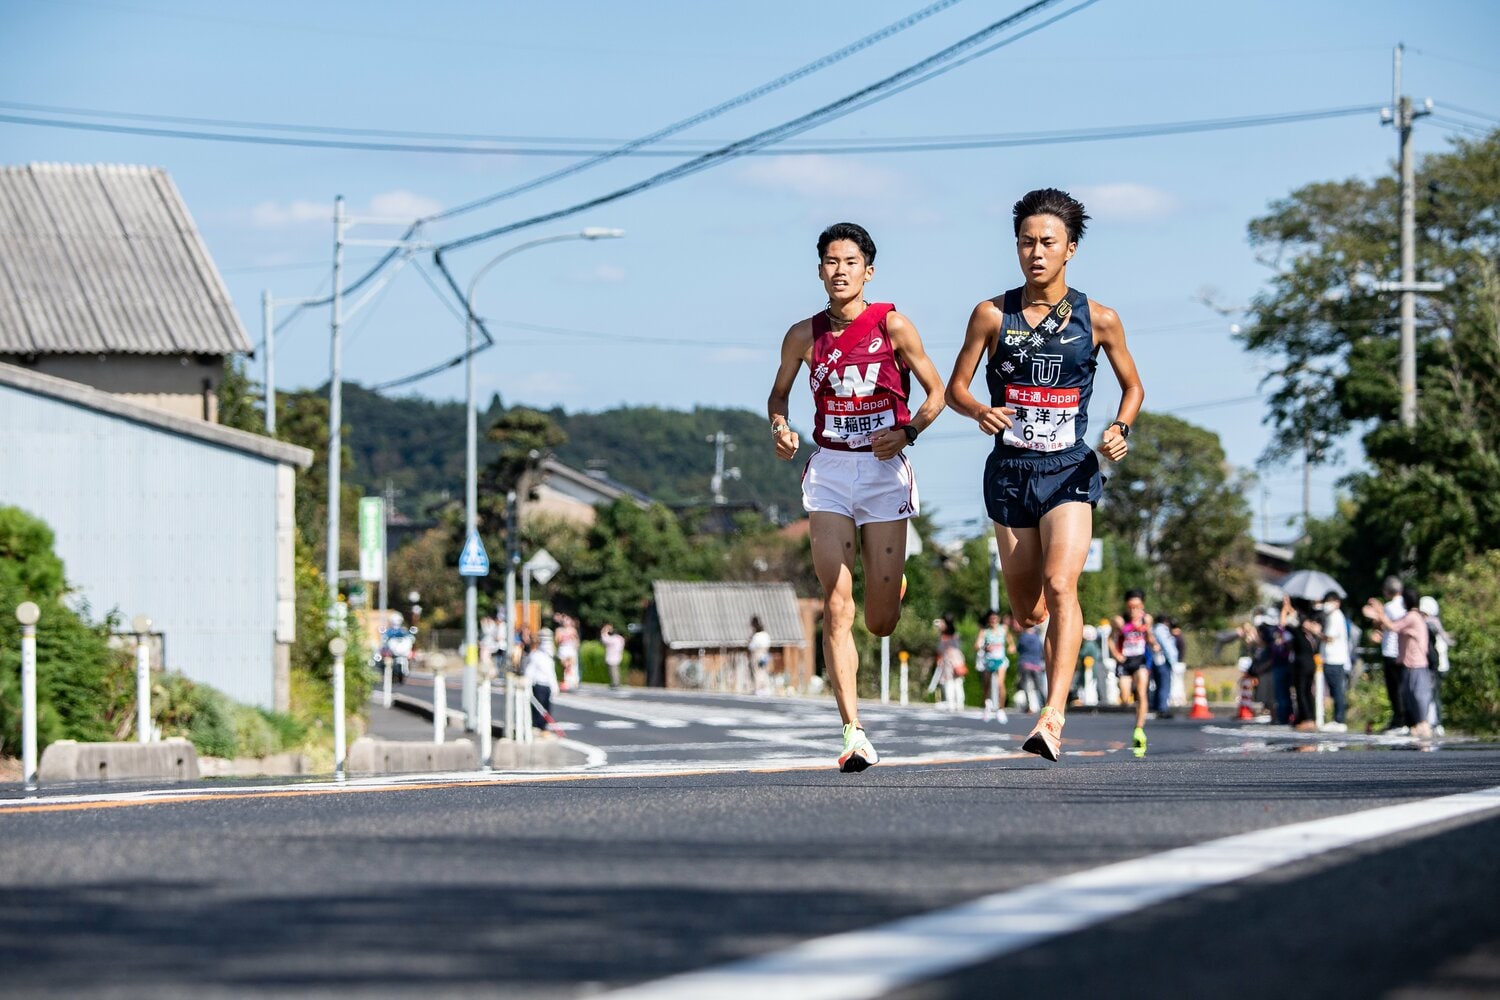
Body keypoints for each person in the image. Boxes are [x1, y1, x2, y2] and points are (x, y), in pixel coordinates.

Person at [944, 188, 1144, 762]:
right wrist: (979, 409)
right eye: (1026, 242)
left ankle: (1052, 717)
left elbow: (1134, 387)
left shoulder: (1099, 319)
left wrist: (1121, 428)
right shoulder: (991, 314)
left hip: (1069, 469)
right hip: (1010, 471)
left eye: (1047, 242)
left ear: (1070, 250)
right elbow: (957, 386)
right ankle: (1048, 674)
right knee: (1027, 610)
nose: (1036, 252)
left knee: (1062, 586)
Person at [767, 221, 946, 772]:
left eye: (849, 262)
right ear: (819, 270)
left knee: (881, 621)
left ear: (868, 271)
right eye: (830, 261)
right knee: (837, 602)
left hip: (884, 468)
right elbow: (778, 396)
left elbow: (936, 393)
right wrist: (781, 427)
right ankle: (853, 732)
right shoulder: (803, 335)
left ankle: (892, 585)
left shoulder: (893, 326)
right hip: (830, 470)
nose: (839, 270)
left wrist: (908, 432)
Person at [1363, 586, 1433, 740]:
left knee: (1418, 694)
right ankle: (1415, 724)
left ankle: (1422, 723)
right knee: (1408, 694)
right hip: (1409, 662)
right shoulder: (1411, 616)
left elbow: (1392, 626)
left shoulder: (1413, 616)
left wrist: (1380, 611)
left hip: (1416, 662)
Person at [1111, 589, 1161, 751]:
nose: (1134, 611)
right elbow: (1110, 639)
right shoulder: (1119, 620)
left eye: (1137, 607)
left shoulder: (1147, 619)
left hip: (1140, 660)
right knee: (1125, 698)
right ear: (1126, 606)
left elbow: (1149, 636)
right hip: (1125, 661)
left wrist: (1154, 644)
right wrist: (1116, 655)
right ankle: (1128, 695)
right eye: (1131, 607)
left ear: (1142, 606)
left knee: (1142, 692)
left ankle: (1139, 729)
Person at [1281, 596, 1324, 732]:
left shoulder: (1298, 632)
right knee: (1307, 692)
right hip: (1310, 665)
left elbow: (1282, 624)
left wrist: (1284, 609)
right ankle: (1308, 717)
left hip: (1301, 665)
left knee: (1301, 692)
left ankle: (1307, 719)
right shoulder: (1310, 636)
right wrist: (1289, 607)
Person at [1374, 576, 1409, 733]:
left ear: (1387, 592)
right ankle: (1404, 719)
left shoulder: (1389, 607)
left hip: (1391, 651)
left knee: (1394, 689)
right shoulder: (1406, 605)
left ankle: (1399, 721)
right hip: (1403, 651)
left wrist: (1377, 613)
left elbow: (1383, 625)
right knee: (1403, 687)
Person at [1419, 596, 1452, 736]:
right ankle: (1433, 721)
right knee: (1432, 695)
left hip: (1436, 666)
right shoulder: (1435, 623)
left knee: (1434, 695)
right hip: (1437, 665)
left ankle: (1437, 723)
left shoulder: (1430, 624)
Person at [1319, 592, 1351, 732]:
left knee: (1337, 690)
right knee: (1334, 690)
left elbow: (1330, 637)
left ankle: (1339, 720)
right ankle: (1337, 718)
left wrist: (1316, 632)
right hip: (1331, 659)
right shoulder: (1332, 616)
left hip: (1335, 659)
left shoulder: (1336, 616)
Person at [975, 609, 1012, 723]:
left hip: (1000, 660)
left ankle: (1001, 709)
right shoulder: (984, 631)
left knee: (1000, 684)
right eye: (991, 619)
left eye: (995, 618)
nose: (993, 621)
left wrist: (1011, 647)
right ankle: (987, 704)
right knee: (986, 684)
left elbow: (1011, 642)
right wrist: (984, 647)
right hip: (988, 660)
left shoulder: (1003, 629)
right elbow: (976, 645)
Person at [521, 634, 559, 735]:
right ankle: (537, 727)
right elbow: (529, 672)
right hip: (538, 685)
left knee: (546, 708)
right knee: (538, 708)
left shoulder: (549, 658)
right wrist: (528, 685)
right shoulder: (535, 655)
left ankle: (544, 727)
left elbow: (552, 674)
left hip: (547, 686)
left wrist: (554, 686)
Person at [934, 615, 968, 712]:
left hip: (948, 661)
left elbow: (939, 649)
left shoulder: (944, 637)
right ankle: (958, 703)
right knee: (957, 683)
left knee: (949, 683)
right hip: (957, 660)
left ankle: (952, 703)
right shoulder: (956, 636)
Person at [1015, 622, 1047, 713]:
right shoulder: (1037, 638)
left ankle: (1028, 706)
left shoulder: (1022, 637)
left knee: (1025, 686)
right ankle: (1045, 704)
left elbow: (1019, 649)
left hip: (1024, 663)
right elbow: (1041, 651)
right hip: (1036, 665)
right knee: (1039, 686)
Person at [1151, 613, 1177, 719]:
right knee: (1164, 684)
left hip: (1155, 661)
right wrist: (1173, 660)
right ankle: (1162, 708)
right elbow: (1167, 647)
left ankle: (1157, 706)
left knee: (1158, 685)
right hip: (1163, 661)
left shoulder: (1153, 630)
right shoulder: (1162, 631)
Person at [554, 614, 580, 692]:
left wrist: (573, 639)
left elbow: (577, 641)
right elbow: (557, 641)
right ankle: (565, 681)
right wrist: (562, 638)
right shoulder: (559, 630)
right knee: (565, 665)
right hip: (563, 649)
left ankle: (569, 681)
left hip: (571, 649)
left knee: (571, 665)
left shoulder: (573, 630)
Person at [748, 615, 773, 697]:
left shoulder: (756, 636)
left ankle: (758, 689)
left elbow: (751, 646)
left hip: (757, 654)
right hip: (765, 654)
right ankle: (765, 688)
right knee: (764, 671)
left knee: (757, 671)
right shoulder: (765, 635)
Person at [600, 622, 627, 690]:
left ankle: (616, 683)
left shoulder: (614, 639)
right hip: (617, 655)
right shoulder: (620, 639)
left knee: (613, 670)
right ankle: (616, 682)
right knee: (616, 670)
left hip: (612, 656)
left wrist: (604, 631)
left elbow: (605, 640)